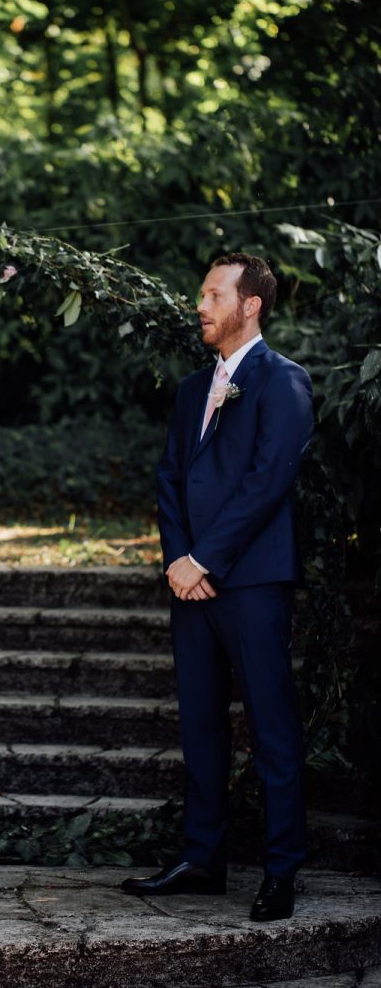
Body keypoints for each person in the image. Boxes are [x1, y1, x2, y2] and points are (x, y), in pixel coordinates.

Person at [120, 253, 313, 923]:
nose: (199, 304)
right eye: (200, 293)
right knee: (201, 725)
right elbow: (169, 477)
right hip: (190, 585)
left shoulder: (283, 382)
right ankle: (202, 859)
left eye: (212, 294)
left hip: (252, 580)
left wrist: (205, 559)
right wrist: (179, 559)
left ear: (250, 304)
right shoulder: (188, 389)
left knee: (271, 728)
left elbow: (268, 482)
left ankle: (282, 870)